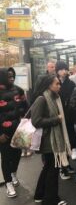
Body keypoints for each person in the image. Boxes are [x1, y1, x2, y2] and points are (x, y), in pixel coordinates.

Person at [31, 74, 71, 205]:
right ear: (49, 85)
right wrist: (56, 119)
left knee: (48, 168)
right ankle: (51, 200)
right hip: (49, 141)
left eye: (59, 83)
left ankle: (40, 195)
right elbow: (36, 121)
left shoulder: (55, 98)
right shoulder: (42, 99)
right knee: (52, 171)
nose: (59, 86)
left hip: (52, 140)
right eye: (56, 84)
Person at [0, 67, 28, 198]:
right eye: (9, 76)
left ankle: (13, 173)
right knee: (6, 158)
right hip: (4, 134)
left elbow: (26, 107)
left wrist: (25, 121)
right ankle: (8, 183)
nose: (12, 77)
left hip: (18, 131)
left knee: (17, 155)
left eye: (13, 75)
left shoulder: (19, 90)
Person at [55, 61, 76, 180]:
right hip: (58, 116)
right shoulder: (53, 82)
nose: (64, 71)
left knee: (68, 140)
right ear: (57, 71)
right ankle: (61, 168)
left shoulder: (70, 83)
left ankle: (66, 164)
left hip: (68, 116)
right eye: (62, 69)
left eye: (65, 69)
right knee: (60, 142)